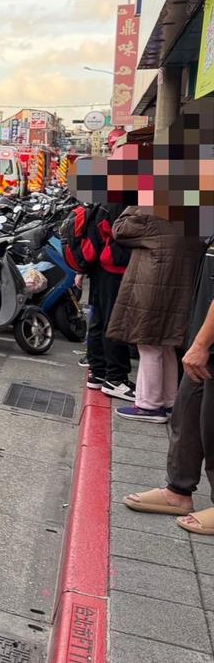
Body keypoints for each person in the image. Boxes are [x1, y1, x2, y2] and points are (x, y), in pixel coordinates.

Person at [122, 236, 214, 532]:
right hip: (204, 338)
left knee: (212, 424)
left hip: (208, 342)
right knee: (187, 415)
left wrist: (201, 343)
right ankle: (178, 491)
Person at [106, 207, 202, 422]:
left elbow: (120, 229)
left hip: (153, 287)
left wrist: (134, 206)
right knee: (166, 344)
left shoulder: (152, 212)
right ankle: (169, 402)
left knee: (148, 343)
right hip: (180, 288)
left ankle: (148, 405)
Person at [84, 202, 133, 400]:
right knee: (114, 321)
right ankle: (116, 378)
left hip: (101, 266)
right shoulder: (119, 205)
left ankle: (98, 372)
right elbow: (122, 233)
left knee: (100, 318)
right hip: (114, 268)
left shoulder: (105, 202)